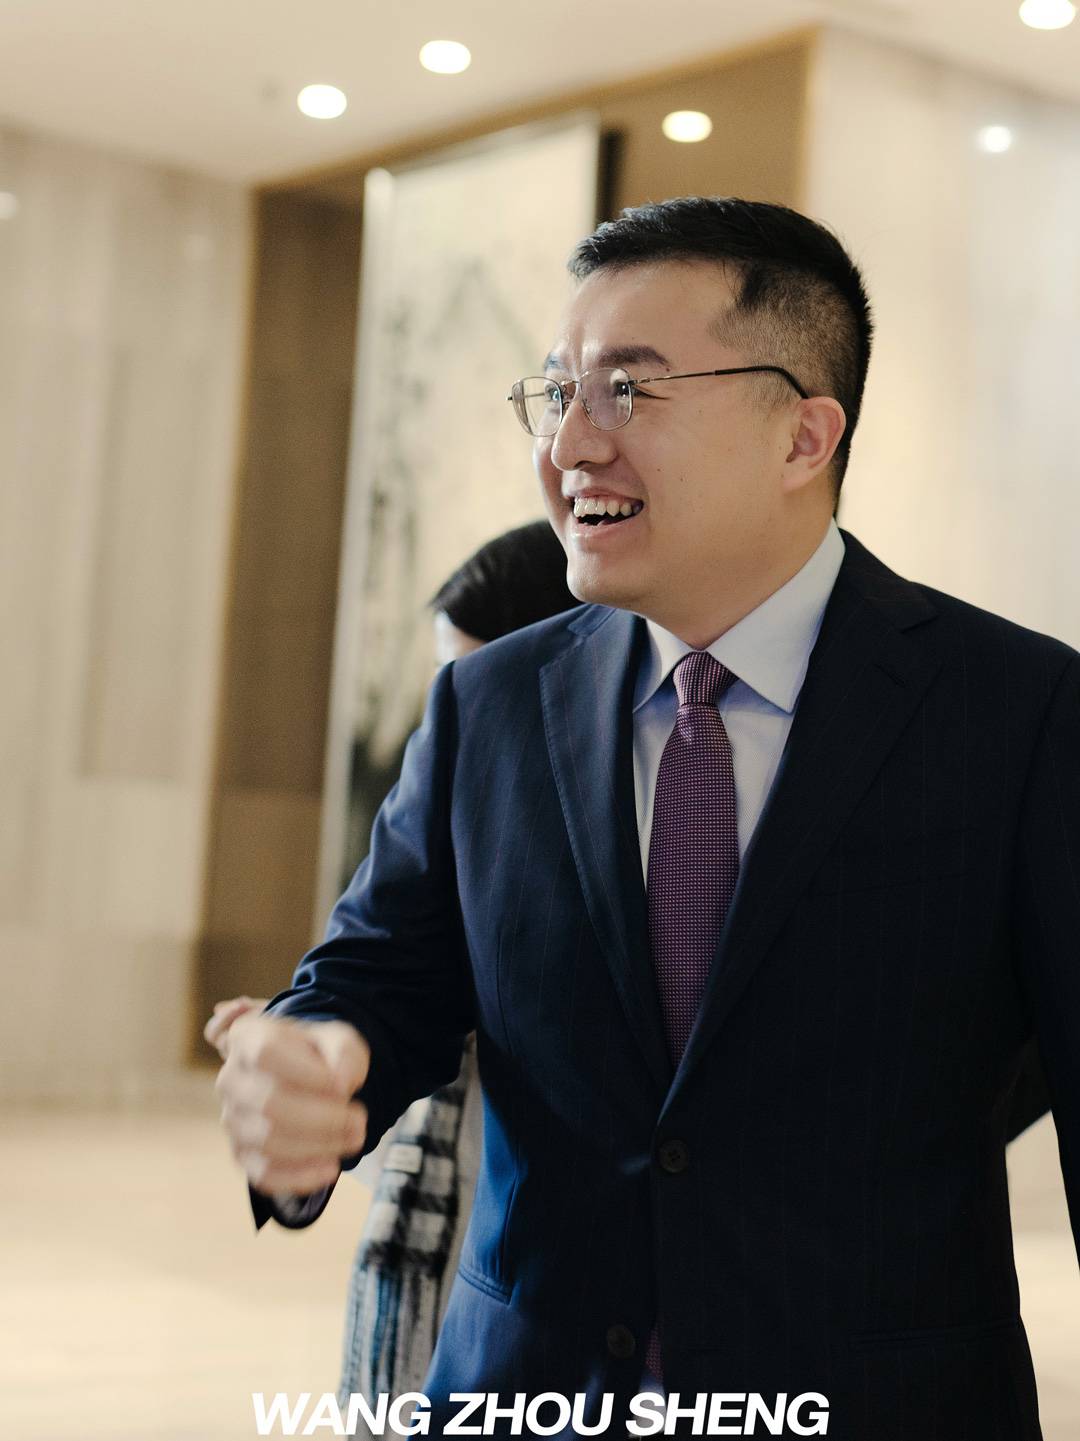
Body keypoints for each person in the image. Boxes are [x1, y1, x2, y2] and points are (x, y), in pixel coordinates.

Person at [215, 197, 1078, 1440]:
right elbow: (375, 976)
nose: (569, 443)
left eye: (627, 390)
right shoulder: (488, 705)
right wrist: (312, 1054)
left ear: (803, 435)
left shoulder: (1019, 712)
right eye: (555, 391)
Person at [205, 521, 580, 1418]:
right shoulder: (435, 829)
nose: (450, 727)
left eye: (480, 686)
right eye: (444, 686)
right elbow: (371, 994)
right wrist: (312, 1060)